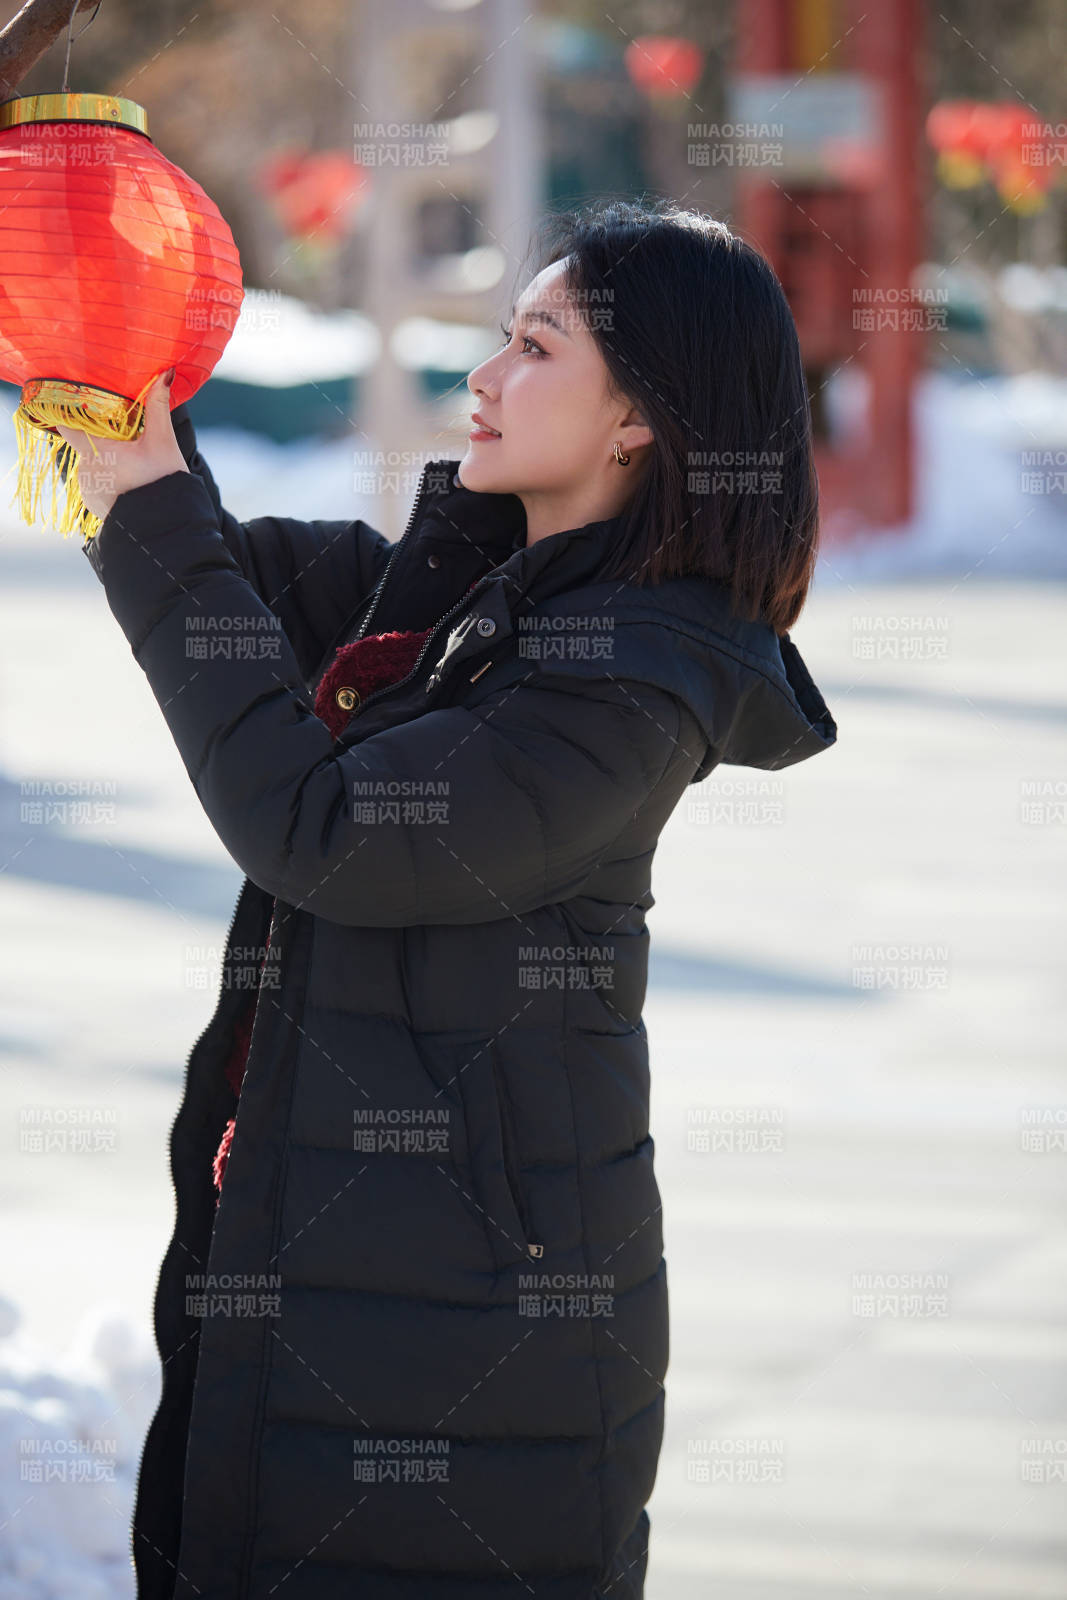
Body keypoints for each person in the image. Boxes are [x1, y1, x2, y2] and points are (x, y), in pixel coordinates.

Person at [59, 198, 837, 1600]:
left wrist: (142, 492)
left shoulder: (632, 679)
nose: (485, 378)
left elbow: (329, 829)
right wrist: (104, 349)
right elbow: (220, 580)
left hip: (470, 1353)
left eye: (533, 346)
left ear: (642, 419)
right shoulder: (485, 599)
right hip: (360, 1280)